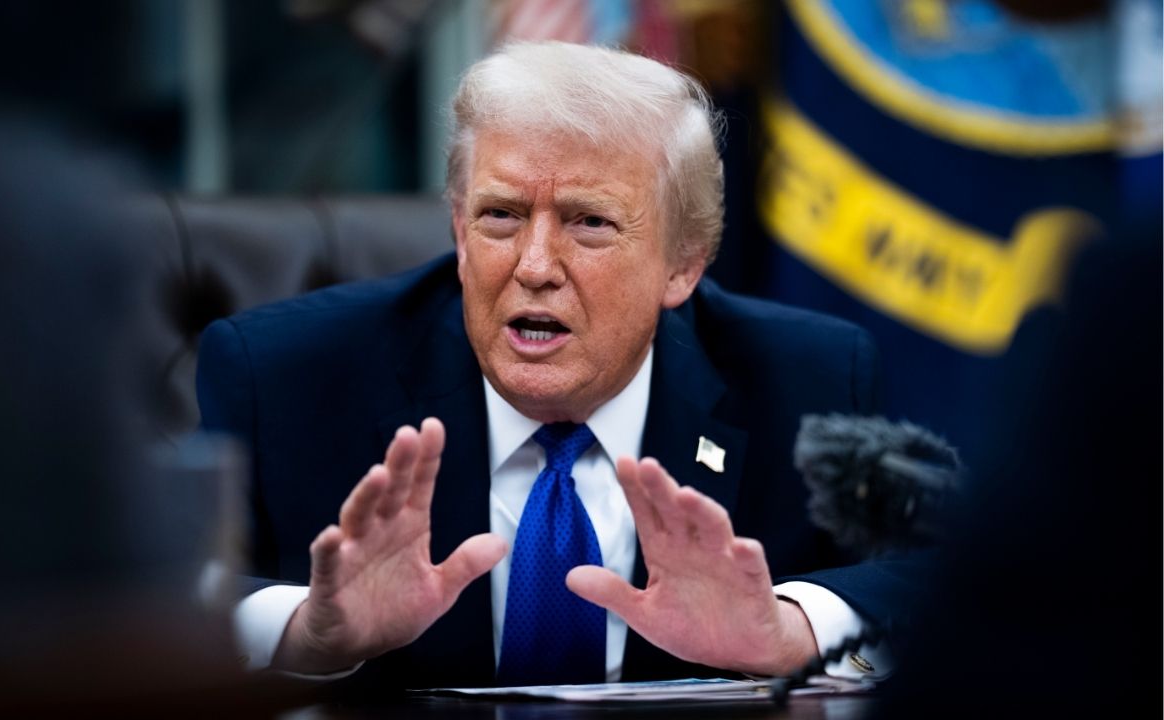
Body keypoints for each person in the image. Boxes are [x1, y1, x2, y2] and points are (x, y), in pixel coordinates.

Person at [197, 41, 909, 690]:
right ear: (458, 227)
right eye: (501, 215)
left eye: (589, 222)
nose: (534, 267)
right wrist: (303, 631)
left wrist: (786, 633)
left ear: (683, 264)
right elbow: (140, 592)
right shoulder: (283, 377)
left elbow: (958, 583)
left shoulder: (807, 378)